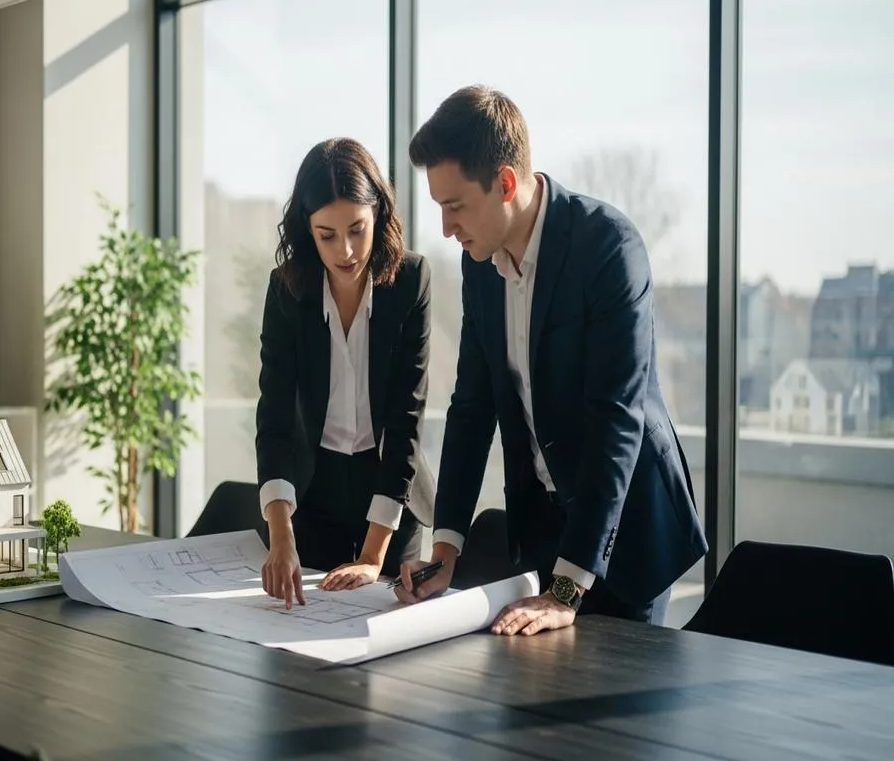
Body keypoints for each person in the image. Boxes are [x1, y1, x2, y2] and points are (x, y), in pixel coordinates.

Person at [395, 85, 707, 633]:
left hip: (626, 529)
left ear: (506, 183)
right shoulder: (479, 263)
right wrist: (445, 550)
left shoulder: (608, 247)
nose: (446, 229)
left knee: (617, 711)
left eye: (455, 206)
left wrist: (567, 590)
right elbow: (471, 407)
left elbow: (617, 422)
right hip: (545, 531)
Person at [256, 137, 435, 609]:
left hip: (393, 498)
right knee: (304, 633)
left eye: (358, 229)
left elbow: (406, 422)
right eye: (327, 235)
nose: (347, 251)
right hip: (313, 492)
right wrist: (280, 537)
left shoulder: (411, 282)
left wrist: (375, 557)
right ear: (306, 230)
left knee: (392, 646)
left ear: (379, 214)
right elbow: (273, 418)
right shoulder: (287, 290)